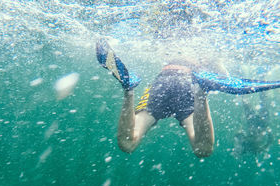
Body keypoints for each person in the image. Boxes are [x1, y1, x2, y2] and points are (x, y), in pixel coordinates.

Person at [96, 39, 280, 158]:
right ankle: (201, 89)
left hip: (161, 82)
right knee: (203, 149)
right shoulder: (208, 43)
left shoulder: (168, 39)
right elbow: (224, 76)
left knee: (127, 143)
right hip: (189, 83)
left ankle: (128, 89)